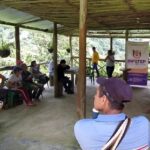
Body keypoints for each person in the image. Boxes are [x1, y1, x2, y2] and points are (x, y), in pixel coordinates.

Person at [74, 77, 150, 150]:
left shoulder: (81, 128)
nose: (94, 96)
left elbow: (93, 122)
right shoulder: (144, 124)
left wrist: (95, 109)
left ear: (103, 100)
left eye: (96, 94)